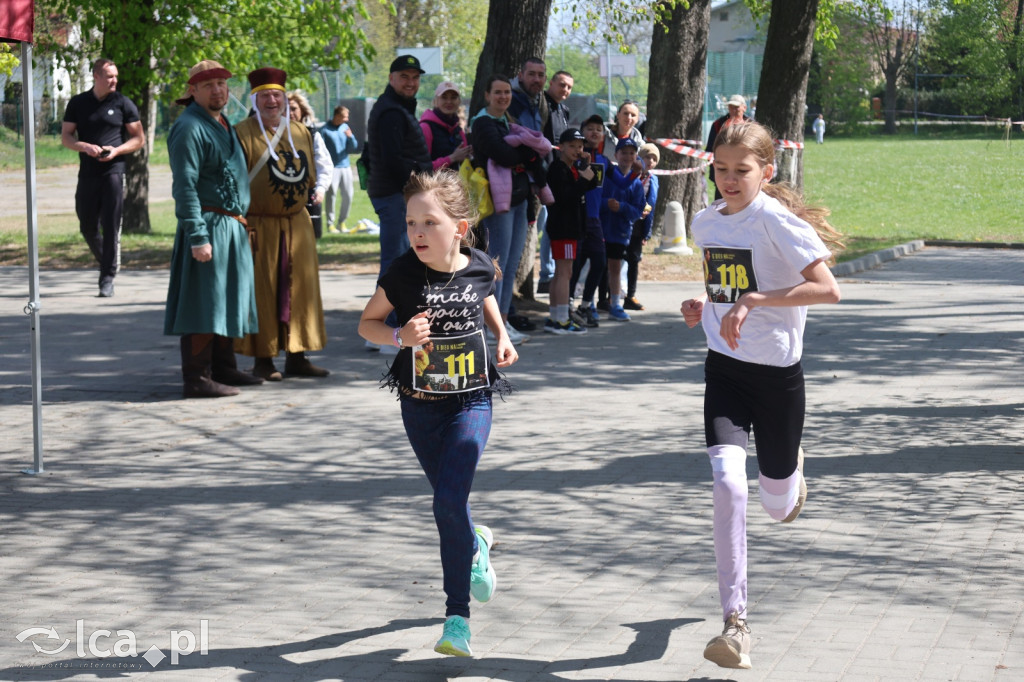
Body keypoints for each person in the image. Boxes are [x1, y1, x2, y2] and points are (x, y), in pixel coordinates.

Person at [680, 121, 843, 670]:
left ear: (766, 172)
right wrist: (706, 307)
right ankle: (735, 623)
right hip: (724, 372)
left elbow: (828, 288)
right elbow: (723, 284)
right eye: (720, 169)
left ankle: (790, 473)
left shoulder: (778, 221)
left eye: (741, 170)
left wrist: (755, 301)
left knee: (776, 507)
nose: (728, 179)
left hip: (777, 379)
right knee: (727, 483)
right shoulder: (705, 222)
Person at [357, 170, 517, 658]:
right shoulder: (402, 274)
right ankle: (477, 544)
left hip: (472, 398)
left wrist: (503, 335)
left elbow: (486, 295)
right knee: (451, 503)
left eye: (430, 222)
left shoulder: (480, 265)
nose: (418, 233)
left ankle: (457, 621)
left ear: (460, 228)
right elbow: (366, 324)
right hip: (420, 403)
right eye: (411, 223)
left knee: (447, 502)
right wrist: (398, 337)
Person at [164, 60, 261, 399]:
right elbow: (185, 186)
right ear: (192, 90)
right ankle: (197, 377)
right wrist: (198, 235)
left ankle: (224, 368)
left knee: (226, 298)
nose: (218, 90)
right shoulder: (190, 127)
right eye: (208, 85)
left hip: (230, 225)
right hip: (208, 225)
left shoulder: (221, 122)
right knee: (204, 302)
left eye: (222, 83)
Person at [235, 67, 329, 381]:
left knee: (300, 292)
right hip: (259, 224)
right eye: (265, 95)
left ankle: (298, 356)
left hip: (297, 224)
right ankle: (264, 360)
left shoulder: (301, 132)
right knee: (263, 292)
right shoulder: (242, 133)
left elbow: (311, 175)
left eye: (277, 94)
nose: (272, 100)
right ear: (255, 99)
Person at [61, 58, 146, 298]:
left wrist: (117, 151)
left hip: (114, 172)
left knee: (110, 225)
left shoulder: (123, 103)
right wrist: (84, 146)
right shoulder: (78, 103)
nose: (114, 81)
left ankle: (106, 277)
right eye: (109, 76)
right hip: (87, 172)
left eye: (115, 76)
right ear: (96, 76)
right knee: (87, 225)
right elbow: (66, 136)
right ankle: (108, 261)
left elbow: (139, 139)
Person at [366, 54, 433, 354]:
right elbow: (394, 161)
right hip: (395, 195)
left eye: (415, 77)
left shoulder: (398, 107)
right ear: (392, 79)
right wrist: (417, 175)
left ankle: (384, 332)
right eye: (404, 76)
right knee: (395, 264)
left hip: (397, 195)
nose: (410, 82)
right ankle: (383, 333)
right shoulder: (391, 111)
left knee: (399, 261)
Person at [471, 74, 539, 345]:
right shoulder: (483, 123)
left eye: (507, 92)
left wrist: (528, 155)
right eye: (497, 92)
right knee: (495, 267)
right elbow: (504, 155)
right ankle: (489, 326)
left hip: (519, 199)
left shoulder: (509, 122)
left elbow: (528, 156)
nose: (503, 97)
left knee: (510, 266)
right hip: (498, 204)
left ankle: (503, 322)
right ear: (487, 95)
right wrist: (529, 154)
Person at [543, 128, 597, 335]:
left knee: (562, 272)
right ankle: (562, 319)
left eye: (580, 146)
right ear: (561, 147)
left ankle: (556, 316)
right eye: (572, 146)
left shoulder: (573, 167)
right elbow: (566, 196)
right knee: (565, 273)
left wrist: (586, 167)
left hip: (571, 228)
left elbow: (590, 185)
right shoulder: (558, 169)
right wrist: (583, 179)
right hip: (563, 227)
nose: (577, 150)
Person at [569, 114, 611, 328]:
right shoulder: (574, 159)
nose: (595, 132)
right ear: (583, 133)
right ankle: (568, 305)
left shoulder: (604, 160)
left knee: (600, 262)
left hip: (595, 221)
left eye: (599, 129)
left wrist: (636, 170)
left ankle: (586, 305)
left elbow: (619, 182)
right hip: (577, 218)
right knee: (574, 265)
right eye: (590, 128)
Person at [536, 70, 574, 295]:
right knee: (544, 225)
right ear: (551, 83)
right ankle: (546, 274)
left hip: (559, 178)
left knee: (552, 226)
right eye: (561, 84)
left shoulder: (563, 109)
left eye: (569, 87)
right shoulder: (542, 106)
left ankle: (549, 274)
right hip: (542, 177)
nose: (565, 90)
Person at [600, 138, 646, 322]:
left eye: (631, 153)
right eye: (623, 152)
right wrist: (605, 204)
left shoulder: (636, 183)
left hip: (620, 231)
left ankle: (616, 303)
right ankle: (593, 302)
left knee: (615, 267)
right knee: (597, 265)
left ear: (636, 157)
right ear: (615, 155)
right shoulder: (608, 176)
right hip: (601, 228)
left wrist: (622, 208)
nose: (627, 157)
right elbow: (595, 199)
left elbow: (639, 210)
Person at [288, 91, 332, 239]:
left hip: (307, 196)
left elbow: (324, 165)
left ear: (302, 110)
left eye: (293, 108)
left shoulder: (312, 135)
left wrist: (320, 189)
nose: (290, 113)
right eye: (285, 109)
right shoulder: (270, 136)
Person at [623, 143, 660, 311]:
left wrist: (647, 232)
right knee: (614, 259)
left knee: (634, 260)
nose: (650, 161)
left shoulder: (654, 179)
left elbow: (650, 204)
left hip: (639, 225)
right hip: (624, 221)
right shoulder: (631, 174)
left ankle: (630, 295)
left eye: (654, 158)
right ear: (639, 157)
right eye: (647, 157)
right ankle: (609, 296)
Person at [705, 94, 753, 200]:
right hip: (722, 173)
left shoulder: (752, 125)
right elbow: (709, 149)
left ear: (744, 108)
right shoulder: (717, 125)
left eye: (737, 107)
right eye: (731, 107)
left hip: (743, 173)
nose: (733, 110)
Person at [319, 105, 359, 233]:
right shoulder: (324, 130)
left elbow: (354, 147)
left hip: (345, 167)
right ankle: (330, 224)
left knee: (348, 195)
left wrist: (350, 137)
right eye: (344, 117)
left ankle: (341, 223)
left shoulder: (345, 128)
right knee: (332, 195)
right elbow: (319, 149)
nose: (346, 119)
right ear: (337, 116)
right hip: (332, 168)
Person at [420, 81, 471, 172]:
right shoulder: (426, 127)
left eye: (453, 97)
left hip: (457, 185)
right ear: (436, 101)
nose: (449, 101)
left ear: (459, 101)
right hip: (433, 185)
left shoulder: (458, 130)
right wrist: (452, 158)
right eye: (444, 97)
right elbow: (422, 168)